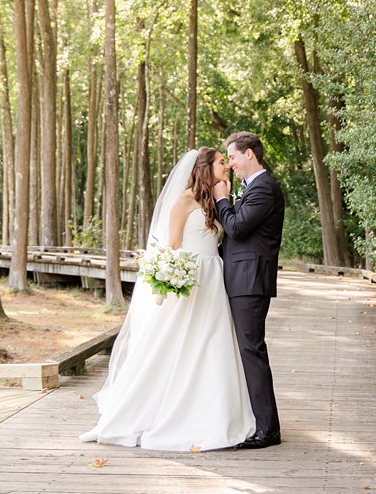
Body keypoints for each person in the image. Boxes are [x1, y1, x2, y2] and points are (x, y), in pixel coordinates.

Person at [79, 148, 255, 452]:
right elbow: (172, 247)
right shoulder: (183, 200)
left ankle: (217, 416)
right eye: (221, 162)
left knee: (213, 344)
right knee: (174, 345)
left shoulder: (216, 198)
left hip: (215, 278)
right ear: (206, 167)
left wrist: (224, 195)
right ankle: (132, 415)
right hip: (192, 278)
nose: (226, 166)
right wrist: (173, 277)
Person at [213, 130, 286, 450]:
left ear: (249, 154)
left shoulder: (264, 189)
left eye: (232, 157)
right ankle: (257, 420)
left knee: (251, 351)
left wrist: (221, 199)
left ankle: (268, 429)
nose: (230, 164)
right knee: (246, 351)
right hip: (240, 279)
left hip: (249, 281)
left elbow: (238, 227)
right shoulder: (253, 188)